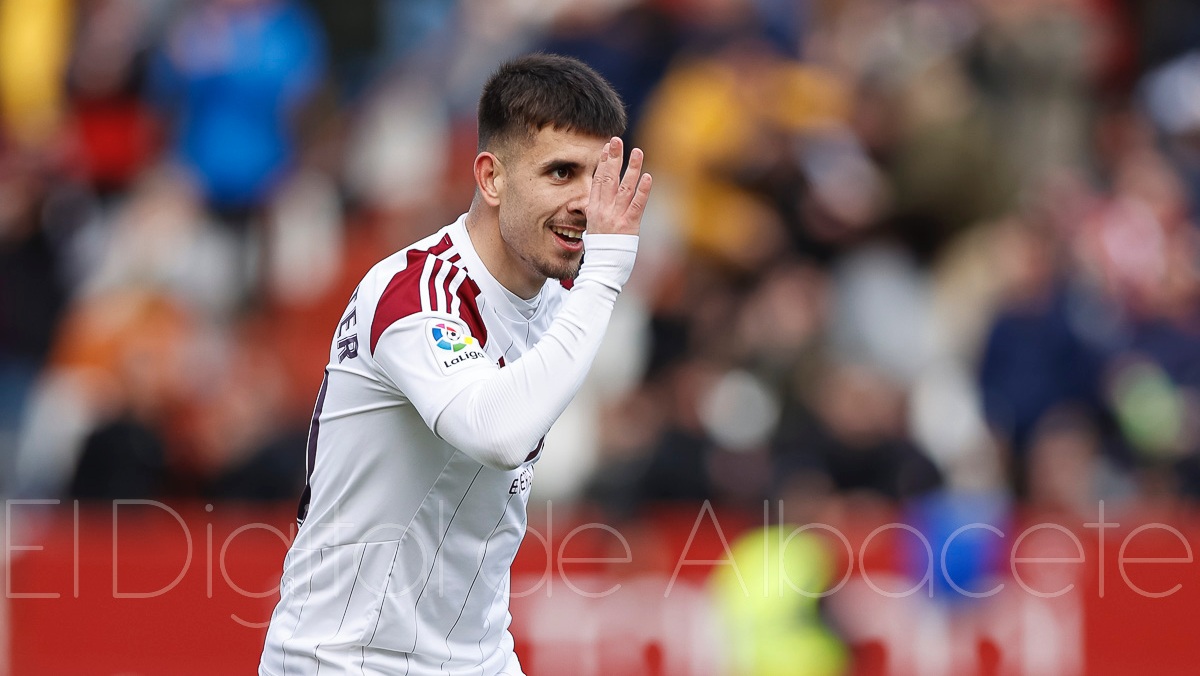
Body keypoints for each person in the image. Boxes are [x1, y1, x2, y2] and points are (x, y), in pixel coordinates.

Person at [259, 53, 652, 675]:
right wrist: (605, 274)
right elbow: (497, 435)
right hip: (344, 660)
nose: (585, 203)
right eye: (559, 172)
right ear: (491, 179)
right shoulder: (418, 293)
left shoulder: (554, 303)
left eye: (594, 178)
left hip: (478, 659)